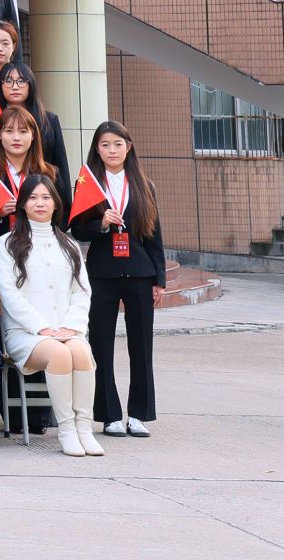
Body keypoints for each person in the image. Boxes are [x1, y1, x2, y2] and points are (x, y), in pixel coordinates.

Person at [0, 173, 101, 456]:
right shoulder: (6, 243)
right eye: (33, 198)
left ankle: (84, 428)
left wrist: (71, 326)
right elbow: (9, 294)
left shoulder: (69, 245)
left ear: (56, 203)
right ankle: (66, 430)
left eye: (46, 197)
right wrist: (41, 327)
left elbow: (82, 291)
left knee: (82, 352)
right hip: (25, 334)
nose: (40, 203)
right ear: (22, 204)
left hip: (66, 329)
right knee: (59, 354)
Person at [72, 121, 165, 438]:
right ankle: (108, 415)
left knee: (142, 346)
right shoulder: (88, 184)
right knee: (100, 344)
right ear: (97, 149)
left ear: (128, 147)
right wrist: (101, 223)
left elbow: (154, 235)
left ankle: (139, 414)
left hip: (140, 273)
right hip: (102, 273)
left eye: (117, 144)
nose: (112, 150)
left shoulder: (144, 185)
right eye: (105, 145)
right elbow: (77, 229)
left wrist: (159, 279)